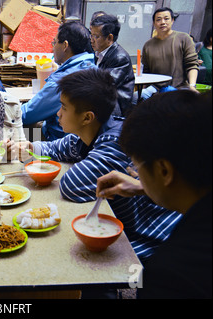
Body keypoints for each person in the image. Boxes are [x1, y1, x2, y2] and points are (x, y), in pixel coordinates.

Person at [18, 68, 181, 260]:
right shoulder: (89, 134)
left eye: (64, 107)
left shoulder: (115, 143)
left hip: (155, 236)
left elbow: (71, 185)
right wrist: (29, 147)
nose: (58, 113)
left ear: (87, 117)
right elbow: (56, 147)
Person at [97, 90, 212, 298]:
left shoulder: (172, 275)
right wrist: (143, 187)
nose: (134, 172)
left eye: (136, 165)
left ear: (164, 171)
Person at [21, 21, 95, 141]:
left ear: (65, 46)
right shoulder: (94, 65)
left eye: (54, 43)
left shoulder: (63, 80)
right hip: (84, 138)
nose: (52, 48)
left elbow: (27, 115)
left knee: (16, 127)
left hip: (60, 140)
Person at [135, 7, 199, 102]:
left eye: (166, 18)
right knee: (134, 98)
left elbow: (192, 64)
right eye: (158, 19)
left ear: (172, 20)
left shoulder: (184, 38)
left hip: (179, 88)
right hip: (155, 88)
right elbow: (146, 72)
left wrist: (192, 86)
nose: (163, 22)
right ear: (154, 23)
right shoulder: (148, 45)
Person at [90, 14, 135, 116]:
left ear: (109, 38)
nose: (91, 40)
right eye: (91, 35)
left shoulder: (120, 57)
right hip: (103, 103)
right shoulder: (98, 53)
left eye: (96, 36)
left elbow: (104, 85)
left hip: (115, 109)